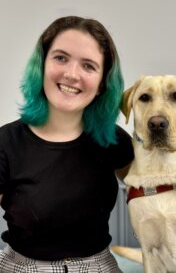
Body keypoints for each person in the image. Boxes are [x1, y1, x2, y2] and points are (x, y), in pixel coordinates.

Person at [0, 16, 134, 272]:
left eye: (88, 66)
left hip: (99, 267)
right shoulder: (5, 143)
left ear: (102, 84)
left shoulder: (114, 140)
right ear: (41, 66)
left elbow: (156, 189)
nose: (71, 75)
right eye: (60, 58)